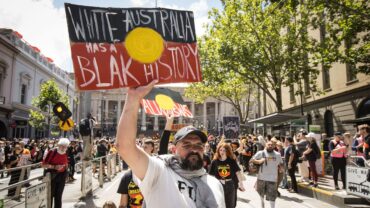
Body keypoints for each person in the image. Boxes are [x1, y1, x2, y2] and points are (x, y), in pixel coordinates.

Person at [116, 80, 225, 208]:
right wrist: (133, 98)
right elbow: (125, 147)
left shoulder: (215, 184)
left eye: (198, 145)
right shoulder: (159, 172)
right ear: (173, 149)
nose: (193, 149)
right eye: (186, 145)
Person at [209, 143, 245, 208]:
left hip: (230, 184)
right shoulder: (215, 161)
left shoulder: (231, 161)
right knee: (219, 204)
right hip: (218, 184)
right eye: (220, 150)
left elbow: (238, 173)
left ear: (227, 151)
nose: (222, 152)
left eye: (224, 150)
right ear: (218, 151)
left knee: (230, 204)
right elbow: (210, 175)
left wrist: (241, 184)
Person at [251, 140, 283, 208]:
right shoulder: (261, 153)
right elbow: (252, 160)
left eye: (272, 145)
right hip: (261, 178)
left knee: (272, 196)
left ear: (274, 146)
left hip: (272, 179)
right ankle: (262, 205)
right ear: (266, 145)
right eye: (268, 144)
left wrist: (281, 168)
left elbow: (281, 163)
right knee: (261, 194)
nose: (270, 146)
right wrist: (259, 161)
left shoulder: (278, 154)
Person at [42, 138, 70, 208]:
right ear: (58, 145)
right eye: (62, 146)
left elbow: (66, 163)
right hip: (52, 176)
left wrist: (66, 174)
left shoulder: (66, 152)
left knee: (59, 196)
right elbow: (43, 165)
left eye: (65, 146)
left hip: (62, 176)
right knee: (50, 195)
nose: (63, 148)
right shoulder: (52, 151)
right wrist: (54, 167)